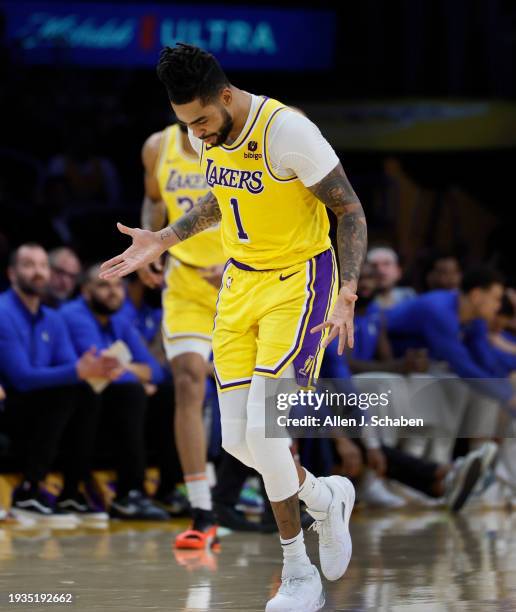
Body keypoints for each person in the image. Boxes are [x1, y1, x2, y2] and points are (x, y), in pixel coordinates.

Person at [100, 43, 367, 611]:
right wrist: (164, 238)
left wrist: (346, 293)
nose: (195, 132)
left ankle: (298, 572)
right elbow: (221, 201)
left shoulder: (289, 132)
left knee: (268, 438)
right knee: (236, 441)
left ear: (226, 95)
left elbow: (350, 209)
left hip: (300, 281)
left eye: (200, 119)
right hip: (240, 283)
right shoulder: (206, 132)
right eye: (186, 123)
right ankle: (325, 497)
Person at [137, 117, 227, 543]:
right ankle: (202, 511)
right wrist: (150, 243)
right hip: (188, 282)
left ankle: (281, 492)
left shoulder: (235, 145)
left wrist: (234, 264)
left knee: (265, 390)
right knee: (189, 381)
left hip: (243, 276)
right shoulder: (158, 145)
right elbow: (154, 201)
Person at [0, 244, 118, 521]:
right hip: (10, 406)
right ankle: (28, 490)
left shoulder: (53, 318)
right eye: (29, 265)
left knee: (87, 391)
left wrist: (92, 369)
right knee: (68, 390)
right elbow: (21, 378)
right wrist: (79, 370)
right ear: (12, 273)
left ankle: (71, 493)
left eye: (43, 265)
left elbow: (69, 364)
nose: (38, 272)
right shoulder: (3, 311)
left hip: (42, 406)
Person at [61, 265, 169, 521]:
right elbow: (102, 368)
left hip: (108, 398)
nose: (113, 292)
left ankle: (169, 489)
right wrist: (136, 374)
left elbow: (156, 371)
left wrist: (128, 368)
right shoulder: (73, 315)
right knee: (131, 391)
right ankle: (128, 494)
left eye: (118, 286)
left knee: (168, 392)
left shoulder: (119, 320)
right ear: (86, 291)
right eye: (104, 285)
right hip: (72, 397)